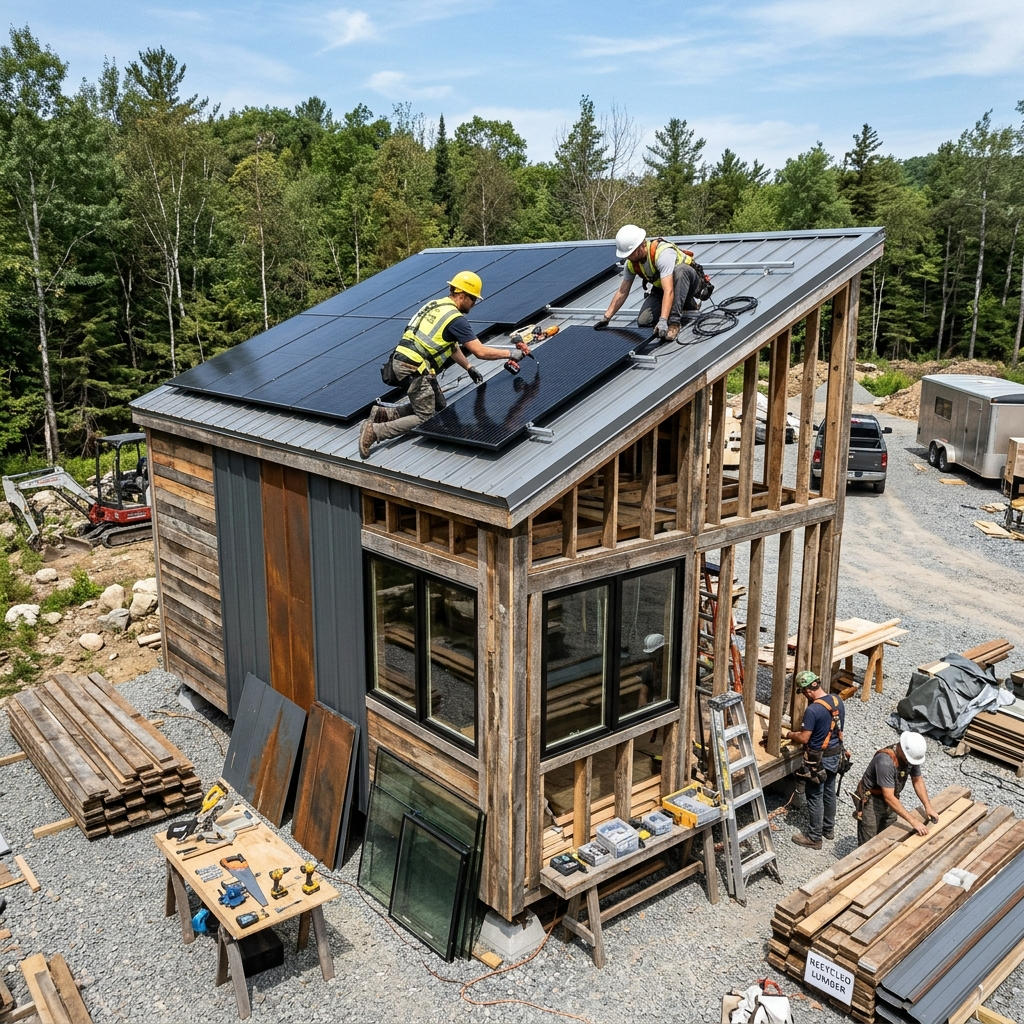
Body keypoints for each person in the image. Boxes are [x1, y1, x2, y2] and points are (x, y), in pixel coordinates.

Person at [359, 271, 530, 459]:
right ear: (462, 295)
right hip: (414, 367)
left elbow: (452, 347)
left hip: (405, 360)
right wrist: (510, 353)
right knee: (426, 416)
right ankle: (375, 431)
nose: (474, 304)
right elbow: (480, 351)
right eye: (473, 299)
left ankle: (382, 413)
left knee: (439, 406)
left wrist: (469, 368)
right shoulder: (456, 320)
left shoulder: (437, 305)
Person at [596, 225, 709, 342]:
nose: (628, 257)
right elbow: (622, 292)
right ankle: (681, 305)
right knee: (644, 320)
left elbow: (669, 290)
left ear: (640, 246)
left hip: (690, 283)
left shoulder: (662, 254)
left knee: (680, 271)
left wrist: (664, 320)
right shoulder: (631, 263)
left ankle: (675, 322)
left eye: (630, 253)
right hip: (663, 287)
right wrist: (606, 317)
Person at [786, 670, 846, 850]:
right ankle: (828, 829)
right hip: (835, 754)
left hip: (817, 759)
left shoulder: (813, 710)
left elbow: (804, 738)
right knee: (829, 791)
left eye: (803, 693)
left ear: (807, 691)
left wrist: (789, 734)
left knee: (815, 795)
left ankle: (814, 837)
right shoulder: (837, 700)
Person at [854, 732, 938, 846]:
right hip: (872, 800)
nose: (911, 763)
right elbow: (888, 797)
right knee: (868, 841)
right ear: (902, 750)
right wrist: (914, 821)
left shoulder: (910, 756)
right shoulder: (885, 761)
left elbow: (917, 780)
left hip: (892, 797)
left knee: (889, 835)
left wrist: (928, 806)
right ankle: (862, 862)